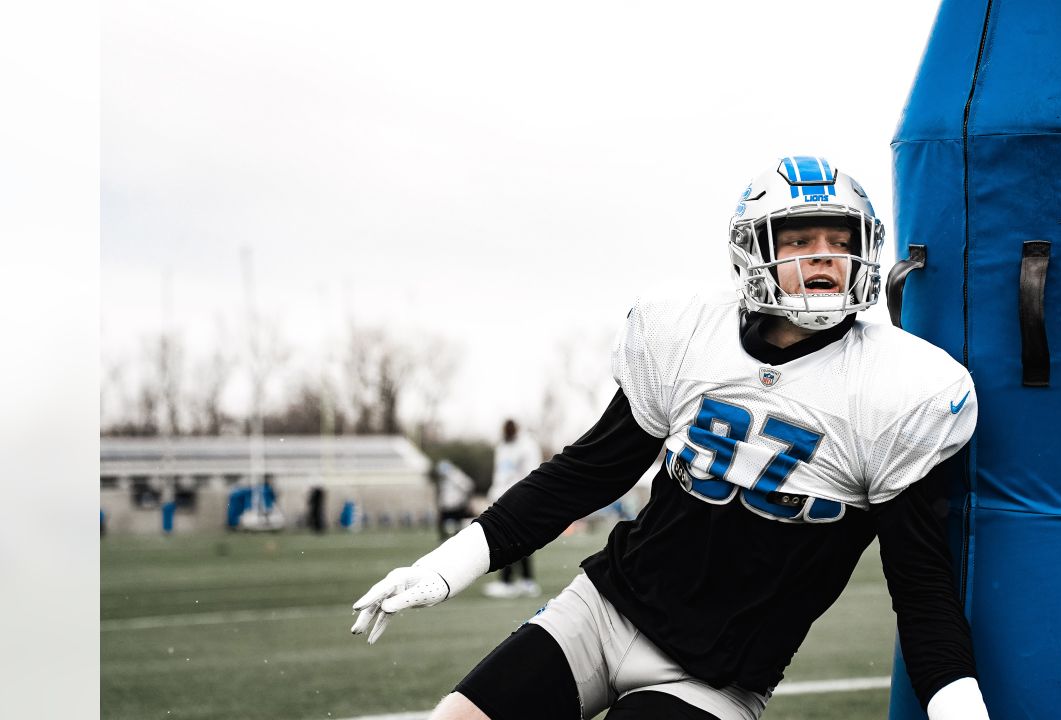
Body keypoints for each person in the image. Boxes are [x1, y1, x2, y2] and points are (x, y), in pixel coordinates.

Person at [351, 156, 990, 720]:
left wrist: (961, 710)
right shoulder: (687, 335)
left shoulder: (898, 388)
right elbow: (584, 475)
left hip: (715, 678)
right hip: (601, 613)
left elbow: (921, 586)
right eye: (799, 238)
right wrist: (443, 567)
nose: (824, 254)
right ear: (753, 251)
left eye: (838, 238)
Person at [482, 419, 542, 598]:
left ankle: (518, 582)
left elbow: (531, 472)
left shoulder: (527, 446)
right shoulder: (502, 446)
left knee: (514, 540)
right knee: (507, 540)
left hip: (520, 497)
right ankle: (518, 581)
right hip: (502, 497)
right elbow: (500, 473)